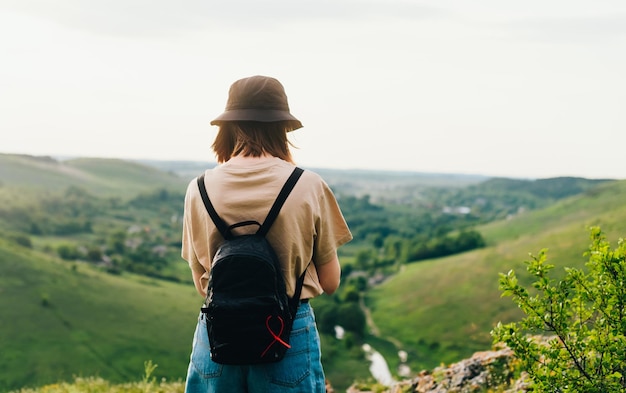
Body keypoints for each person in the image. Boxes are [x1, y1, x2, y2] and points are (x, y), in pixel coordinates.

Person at [181, 75, 352, 393]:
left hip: (219, 332)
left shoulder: (198, 188)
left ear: (228, 127)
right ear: (282, 128)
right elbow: (330, 283)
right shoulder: (307, 185)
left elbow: (199, 283)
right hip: (286, 329)